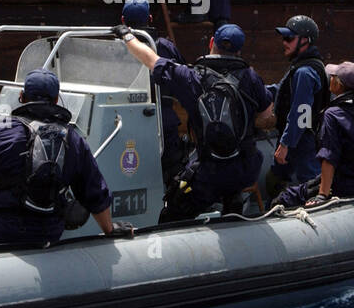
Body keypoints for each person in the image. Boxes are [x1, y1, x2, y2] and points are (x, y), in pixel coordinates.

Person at [0, 69, 123, 248]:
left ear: (21, 97)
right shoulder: (75, 139)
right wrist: (110, 230)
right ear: (56, 100)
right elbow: (96, 192)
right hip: (50, 232)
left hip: (1, 230)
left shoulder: (1, 131)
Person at [115, 22, 271, 222]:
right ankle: (234, 207)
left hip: (210, 172)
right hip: (245, 167)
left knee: (171, 215)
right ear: (239, 51)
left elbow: (152, 60)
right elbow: (266, 115)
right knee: (232, 193)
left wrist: (128, 36)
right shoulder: (251, 77)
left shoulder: (192, 76)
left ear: (212, 42)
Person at [273, 61, 354, 208]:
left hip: (344, 183)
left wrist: (322, 195)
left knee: (283, 199)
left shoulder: (333, 115)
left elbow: (329, 157)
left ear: (338, 85)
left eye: (332, 77)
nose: (329, 79)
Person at [120, 0, 188, 183]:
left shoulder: (115, 48)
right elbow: (181, 80)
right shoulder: (165, 47)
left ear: (123, 20)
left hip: (126, 122)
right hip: (163, 119)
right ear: (150, 19)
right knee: (174, 172)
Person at [268, 15, 329, 186]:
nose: (284, 42)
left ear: (305, 41)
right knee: (274, 180)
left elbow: (301, 113)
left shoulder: (305, 72)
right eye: (283, 38)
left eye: (289, 38)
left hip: (303, 142)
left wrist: (286, 143)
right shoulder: (299, 67)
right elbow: (279, 89)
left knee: (310, 183)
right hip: (294, 138)